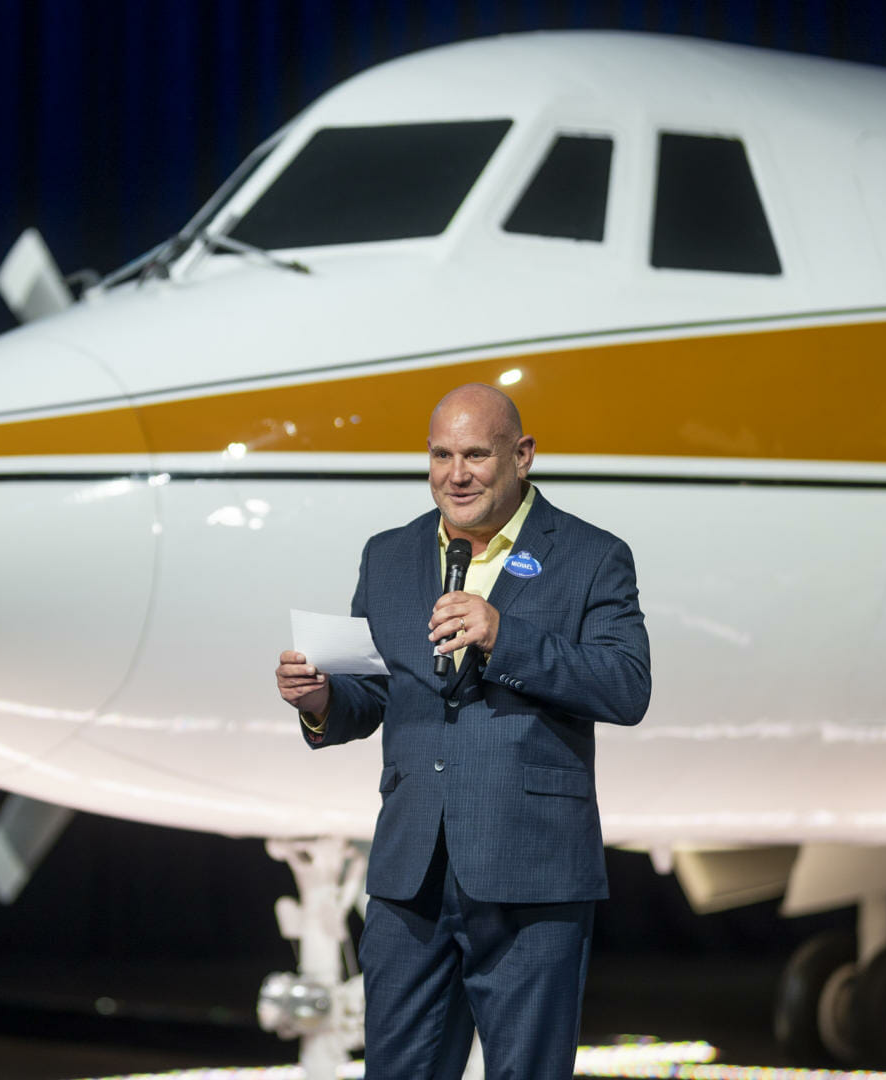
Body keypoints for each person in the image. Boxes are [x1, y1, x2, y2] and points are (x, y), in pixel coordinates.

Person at [275, 383, 650, 1079]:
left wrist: (504, 637)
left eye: (476, 454)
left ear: (522, 455)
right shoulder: (388, 555)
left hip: (531, 877)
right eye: (441, 454)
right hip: (409, 876)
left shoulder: (591, 555)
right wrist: (323, 698)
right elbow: (374, 692)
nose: (457, 473)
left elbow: (626, 686)